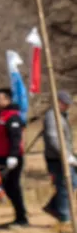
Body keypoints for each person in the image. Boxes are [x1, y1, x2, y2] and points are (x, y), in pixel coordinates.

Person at [0, 88, 28, 227]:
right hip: (0, 157)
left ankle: (22, 218)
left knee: (13, 187)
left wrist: (13, 156)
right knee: (7, 187)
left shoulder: (12, 117)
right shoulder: (0, 115)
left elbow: (15, 138)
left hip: (11, 158)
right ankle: (19, 215)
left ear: (7, 100)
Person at [43, 91, 77, 224]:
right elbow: (53, 138)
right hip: (57, 157)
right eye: (66, 104)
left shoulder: (62, 115)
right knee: (65, 184)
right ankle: (64, 216)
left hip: (65, 155)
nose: (68, 106)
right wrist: (65, 155)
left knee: (73, 182)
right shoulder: (52, 116)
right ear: (58, 102)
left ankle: (53, 206)